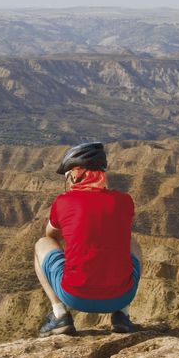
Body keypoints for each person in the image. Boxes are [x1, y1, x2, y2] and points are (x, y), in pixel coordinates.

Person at [34, 142, 142, 337]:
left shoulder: (63, 202)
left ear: (75, 175)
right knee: (132, 243)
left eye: (67, 177)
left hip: (75, 296)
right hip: (121, 295)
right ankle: (122, 315)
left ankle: (59, 316)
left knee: (41, 244)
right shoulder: (125, 201)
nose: (67, 182)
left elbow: (50, 236)